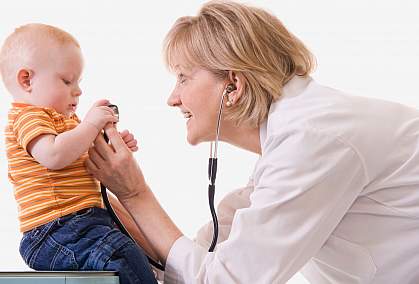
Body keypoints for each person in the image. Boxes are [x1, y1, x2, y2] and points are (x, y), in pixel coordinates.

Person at [85, 1, 419, 283]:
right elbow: (198, 256)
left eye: (183, 77)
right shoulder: (292, 141)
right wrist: (96, 198)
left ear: (233, 84)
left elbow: (227, 279)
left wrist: (134, 192)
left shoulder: (312, 138)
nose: (173, 98)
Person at [0, 23, 157, 284]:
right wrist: (90, 125)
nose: (78, 90)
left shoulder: (66, 122)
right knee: (121, 254)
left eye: (79, 81)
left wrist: (111, 145)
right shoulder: (28, 117)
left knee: (133, 252)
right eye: (66, 80)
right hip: (55, 230)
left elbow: (81, 158)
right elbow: (53, 156)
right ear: (27, 80)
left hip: (84, 223)